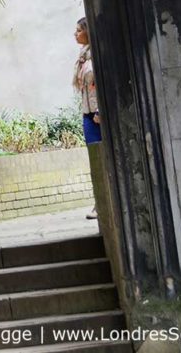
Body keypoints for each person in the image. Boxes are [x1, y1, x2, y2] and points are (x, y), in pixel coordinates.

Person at [73, 17, 101, 219]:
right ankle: (99, 202)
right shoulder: (83, 57)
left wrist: (100, 111)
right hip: (87, 113)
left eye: (78, 31)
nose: (75, 35)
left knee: (105, 156)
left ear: (87, 32)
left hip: (99, 114)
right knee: (95, 158)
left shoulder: (98, 54)